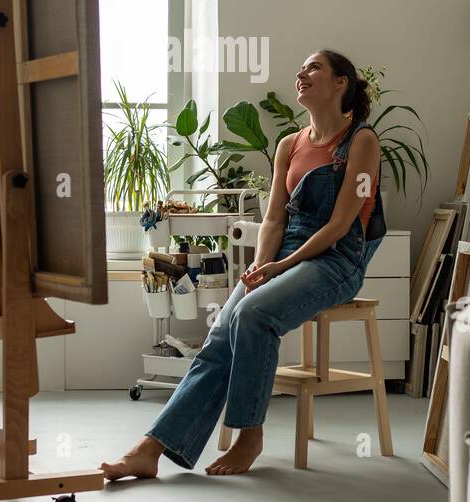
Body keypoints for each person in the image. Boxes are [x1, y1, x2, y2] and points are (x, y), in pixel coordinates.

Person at [101, 49, 385, 480]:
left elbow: (341, 224)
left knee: (252, 313)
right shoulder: (290, 145)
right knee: (221, 333)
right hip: (284, 254)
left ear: (340, 82)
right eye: (301, 66)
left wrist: (280, 267)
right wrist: (260, 267)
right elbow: (274, 220)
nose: (302, 72)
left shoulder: (362, 142)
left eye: (314, 67)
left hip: (335, 259)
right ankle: (151, 448)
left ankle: (250, 435)